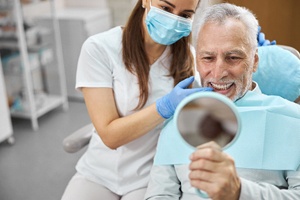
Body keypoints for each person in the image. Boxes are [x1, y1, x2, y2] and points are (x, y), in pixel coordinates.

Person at [145, 3, 300, 200]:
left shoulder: (294, 121)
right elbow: (159, 194)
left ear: (255, 61)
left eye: (233, 57)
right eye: (208, 58)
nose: (218, 73)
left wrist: (240, 192)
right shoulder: (177, 122)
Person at [61, 0, 213, 199]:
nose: (174, 19)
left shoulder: (189, 60)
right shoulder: (100, 48)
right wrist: (165, 107)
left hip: (150, 178)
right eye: (166, 8)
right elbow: (110, 136)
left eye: (185, 15)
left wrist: (254, 54)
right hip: (98, 173)